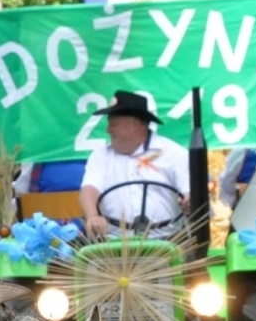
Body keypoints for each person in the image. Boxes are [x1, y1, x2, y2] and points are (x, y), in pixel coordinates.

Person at [78, 91, 190, 236]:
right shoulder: (101, 155)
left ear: (135, 124)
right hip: (114, 246)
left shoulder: (174, 153)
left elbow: (190, 193)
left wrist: (189, 201)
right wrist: (93, 216)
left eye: (113, 124)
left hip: (168, 242)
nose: (108, 130)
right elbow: (89, 188)